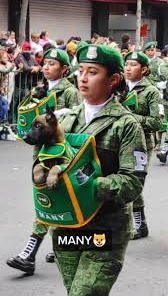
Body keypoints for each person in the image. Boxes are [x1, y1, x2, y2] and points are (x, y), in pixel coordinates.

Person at [51, 44, 147, 295]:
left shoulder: (126, 125)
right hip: (68, 226)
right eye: (80, 70)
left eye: (92, 72)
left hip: (106, 229)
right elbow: (47, 162)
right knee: (74, 290)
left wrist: (88, 185)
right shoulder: (66, 120)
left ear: (113, 79)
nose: (82, 78)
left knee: (84, 293)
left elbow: (133, 182)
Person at [6, 47, 82, 275]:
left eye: (52, 64)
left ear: (65, 69)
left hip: (61, 157)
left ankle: (30, 254)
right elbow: (25, 119)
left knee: (52, 201)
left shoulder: (70, 92)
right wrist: (33, 100)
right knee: (49, 199)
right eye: (45, 63)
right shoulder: (40, 90)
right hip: (41, 154)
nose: (46, 67)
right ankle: (63, 246)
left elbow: (76, 125)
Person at [123, 51, 161, 239]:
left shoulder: (151, 91)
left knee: (135, 183)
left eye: (133, 65)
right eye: (126, 64)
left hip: (141, 144)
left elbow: (156, 122)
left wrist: (129, 117)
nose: (128, 68)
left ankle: (139, 223)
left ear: (144, 69)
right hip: (119, 141)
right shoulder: (119, 87)